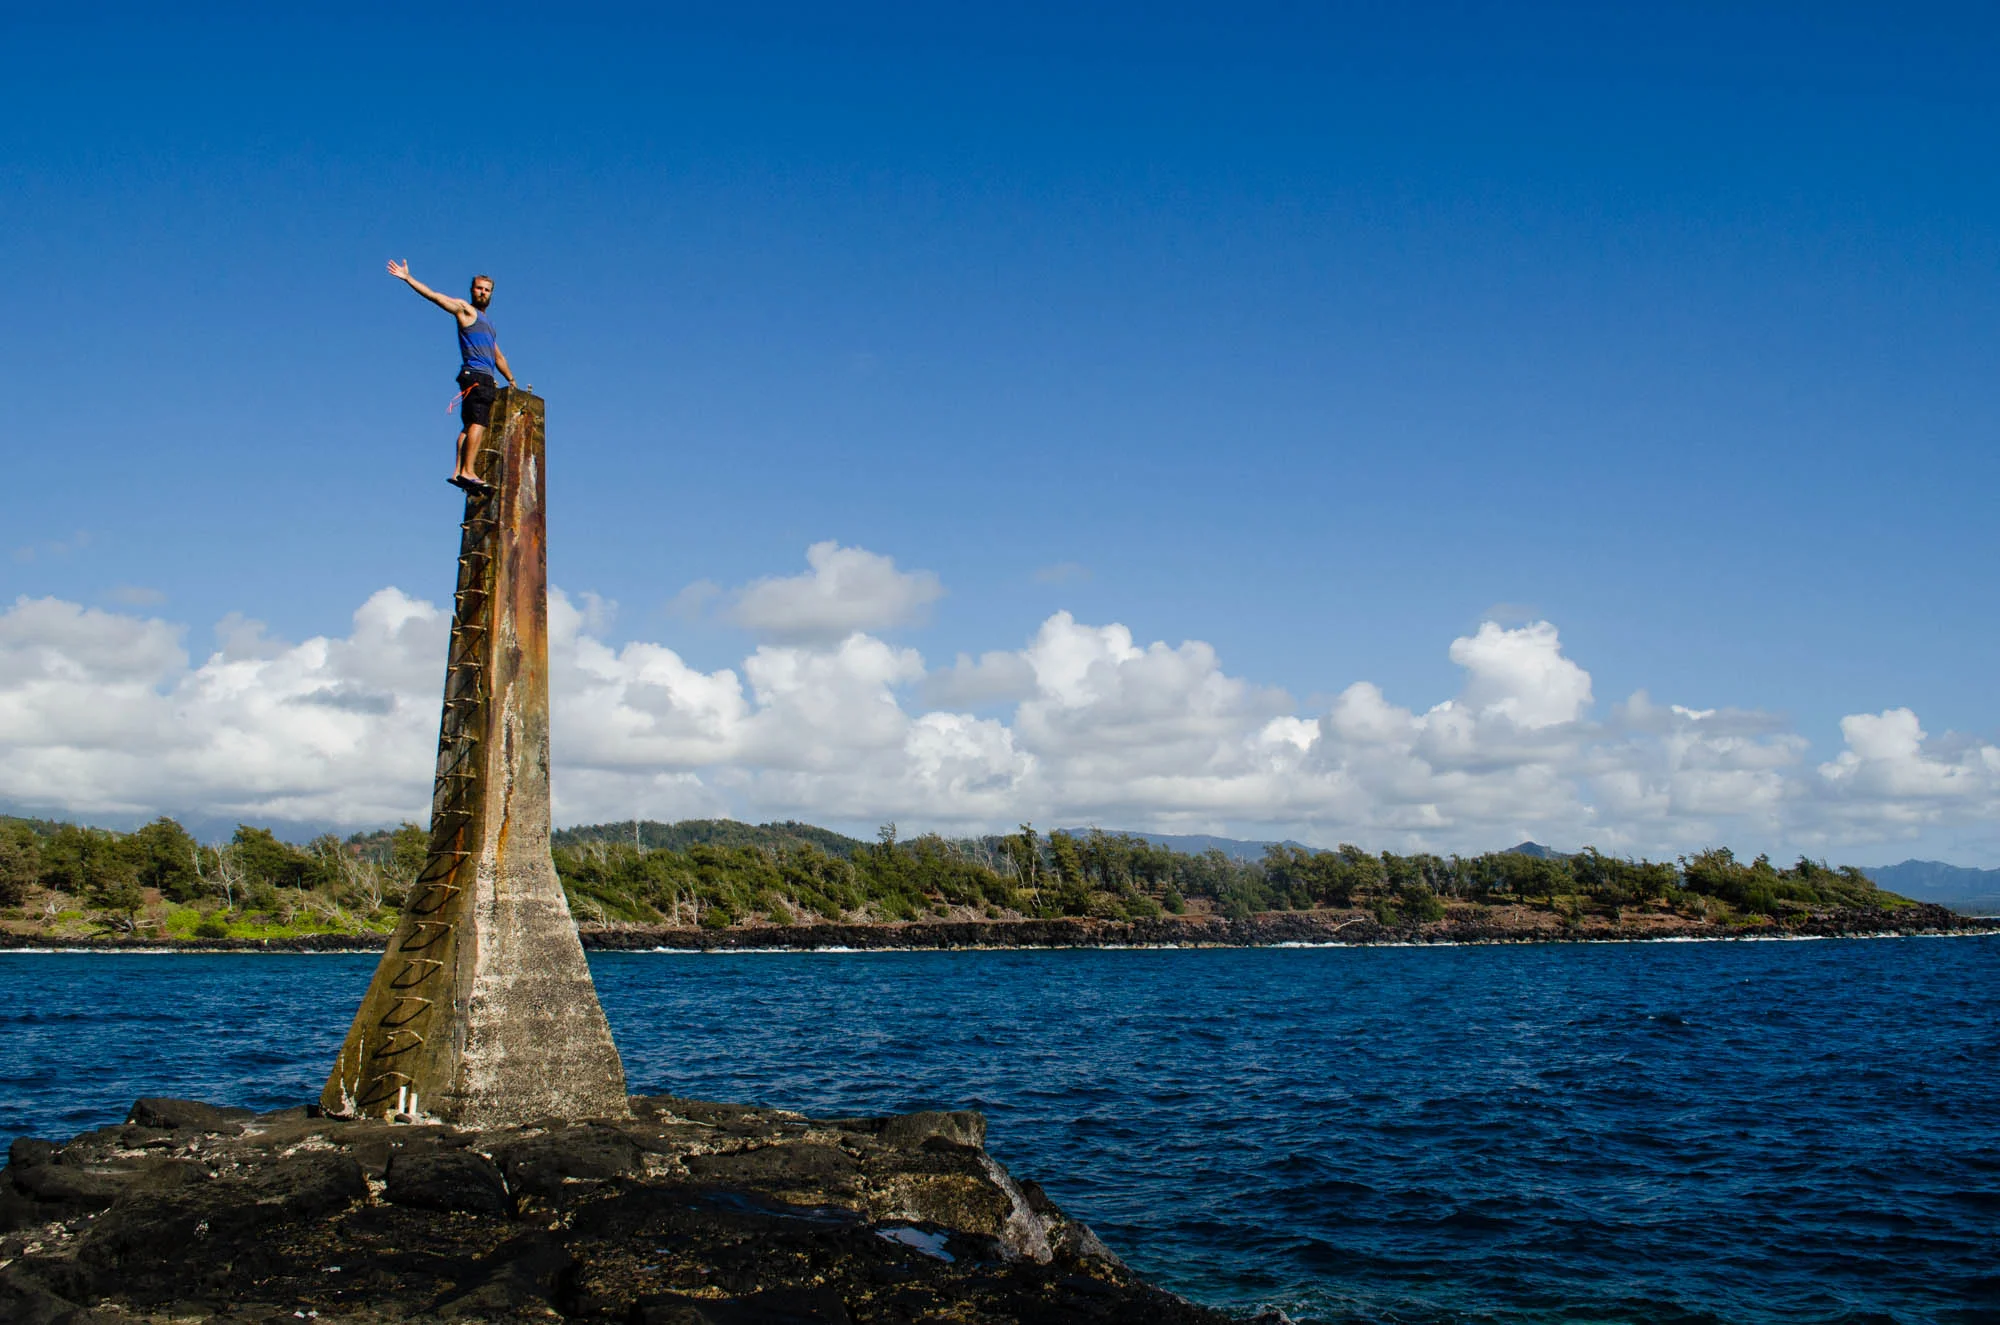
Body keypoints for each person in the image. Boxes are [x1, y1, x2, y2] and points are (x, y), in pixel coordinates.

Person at [387, 261, 526, 491]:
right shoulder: (465, 310)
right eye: (479, 288)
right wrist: (408, 278)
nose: (482, 292)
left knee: (468, 424)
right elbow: (435, 296)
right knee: (478, 423)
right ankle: (468, 472)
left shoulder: (489, 325)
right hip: (477, 376)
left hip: (478, 376)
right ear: (472, 290)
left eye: (487, 290)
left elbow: (498, 355)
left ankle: (457, 471)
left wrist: (511, 378)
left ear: (491, 294)